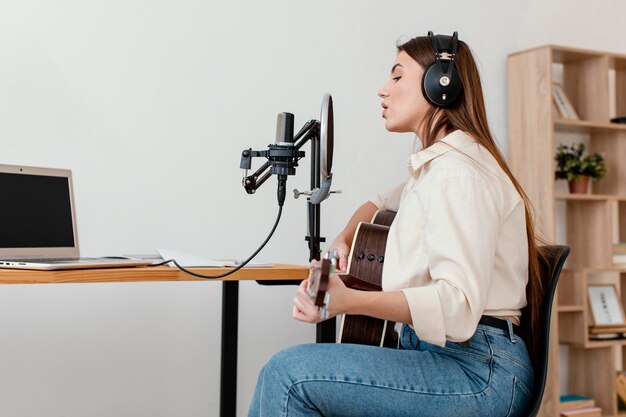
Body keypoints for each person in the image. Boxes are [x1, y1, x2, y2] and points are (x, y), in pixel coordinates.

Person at [247, 31, 541, 417]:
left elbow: (457, 307)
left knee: (288, 376)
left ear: (441, 84)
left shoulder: (458, 175)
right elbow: (384, 200)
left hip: (477, 372)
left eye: (397, 76)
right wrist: (345, 236)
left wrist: (350, 301)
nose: (383, 91)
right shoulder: (439, 169)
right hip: (454, 359)